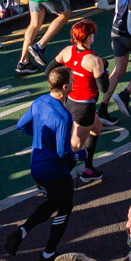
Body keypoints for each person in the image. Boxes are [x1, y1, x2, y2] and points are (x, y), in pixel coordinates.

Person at [6, 68, 78, 261]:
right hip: (54, 172)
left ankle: (21, 232)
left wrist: (41, 135)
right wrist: (78, 155)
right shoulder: (64, 116)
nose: (73, 82)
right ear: (65, 87)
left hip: (36, 168)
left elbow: (21, 125)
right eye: (72, 80)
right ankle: (48, 253)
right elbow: (63, 152)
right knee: (65, 206)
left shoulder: (39, 102)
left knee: (52, 202)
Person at [55, 22, 108, 182]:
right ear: (88, 37)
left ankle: (89, 169)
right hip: (85, 106)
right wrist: (105, 70)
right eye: (93, 33)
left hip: (71, 101)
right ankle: (55, 181)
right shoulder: (94, 60)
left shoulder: (67, 51)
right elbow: (104, 88)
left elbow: (50, 69)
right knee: (75, 148)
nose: (94, 36)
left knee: (97, 128)